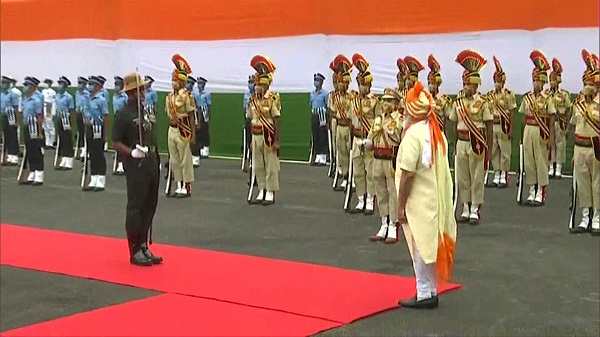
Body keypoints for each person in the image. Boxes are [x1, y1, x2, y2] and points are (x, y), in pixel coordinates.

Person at [396, 81, 457, 309]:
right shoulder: (434, 132)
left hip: (419, 200)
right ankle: (430, 290)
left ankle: (423, 292)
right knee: (428, 245)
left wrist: (400, 206)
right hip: (433, 198)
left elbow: (407, 174)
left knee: (420, 246)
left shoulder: (414, 136)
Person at [112, 72, 162, 266]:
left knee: (150, 204)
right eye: (140, 89)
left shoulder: (145, 110)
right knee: (136, 206)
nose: (143, 92)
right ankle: (133, 250)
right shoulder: (123, 114)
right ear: (131, 92)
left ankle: (143, 245)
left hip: (150, 162)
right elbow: (115, 142)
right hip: (135, 165)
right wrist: (131, 152)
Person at [451, 49, 493, 224]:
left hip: (477, 142)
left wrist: (488, 148)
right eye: (466, 84)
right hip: (462, 142)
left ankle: (475, 208)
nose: (468, 87)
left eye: (471, 85)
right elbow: (453, 123)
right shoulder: (458, 102)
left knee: (476, 176)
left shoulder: (483, 102)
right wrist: (453, 143)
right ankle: (465, 207)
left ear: (476, 85)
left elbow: (489, 125)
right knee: (463, 176)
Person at [518, 50, 556, 206]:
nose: (536, 84)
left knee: (540, 161)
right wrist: (522, 136)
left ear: (543, 82)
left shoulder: (547, 98)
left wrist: (551, 137)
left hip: (541, 131)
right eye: (534, 80)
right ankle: (532, 189)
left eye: (538, 81)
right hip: (528, 129)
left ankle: (541, 190)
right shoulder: (527, 97)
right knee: (529, 161)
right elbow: (522, 117)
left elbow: (552, 117)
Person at [366, 88, 403, 243]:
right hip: (377, 158)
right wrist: (367, 143)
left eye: (389, 100)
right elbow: (370, 137)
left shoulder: (400, 119)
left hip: (391, 159)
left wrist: (386, 128)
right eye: (385, 100)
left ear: (396, 103)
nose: (386, 103)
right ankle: (383, 223)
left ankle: (393, 225)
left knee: (393, 192)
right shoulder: (378, 119)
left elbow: (398, 136)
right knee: (380, 192)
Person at [569, 49, 599, 235]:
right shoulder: (578, 103)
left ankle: (597, 216)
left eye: (589, 83)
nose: (586, 87)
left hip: (596, 147)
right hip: (580, 146)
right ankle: (585, 215)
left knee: (597, 183)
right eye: (584, 83)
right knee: (582, 182)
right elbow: (573, 125)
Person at [246, 54, 281, 205]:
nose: (257, 87)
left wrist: (277, 140)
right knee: (258, 164)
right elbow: (249, 118)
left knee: (270, 165)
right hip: (255, 135)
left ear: (267, 85)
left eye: (260, 84)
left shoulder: (273, 98)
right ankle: (262, 189)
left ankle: (271, 191)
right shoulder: (252, 100)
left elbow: (277, 119)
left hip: (268, 135)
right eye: (256, 84)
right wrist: (249, 140)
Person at [350, 53, 379, 214]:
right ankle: (360, 198)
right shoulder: (353, 101)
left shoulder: (375, 101)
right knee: (358, 170)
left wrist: (372, 140)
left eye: (367, 85)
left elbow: (378, 122)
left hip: (368, 139)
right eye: (362, 85)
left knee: (370, 171)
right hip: (356, 138)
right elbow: (350, 120)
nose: (364, 88)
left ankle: (370, 199)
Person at [167, 54, 196, 197]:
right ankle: (178, 184)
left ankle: (186, 185)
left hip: (183, 129)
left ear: (182, 82)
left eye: (176, 80)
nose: (173, 83)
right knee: (175, 159)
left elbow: (191, 116)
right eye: (172, 80)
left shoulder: (187, 96)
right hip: (172, 130)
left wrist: (193, 136)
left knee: (185, 159)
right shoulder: (169, 96)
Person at [486, 56, 517, 188]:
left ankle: (504, 174)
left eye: (499, 81)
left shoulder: (509, 95)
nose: (497, 83)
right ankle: (497, 173)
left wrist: (511, 129)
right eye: (495, 81)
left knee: (505, 151)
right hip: (493, 125)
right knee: (494, 150)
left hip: (504, 126)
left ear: (503, 82)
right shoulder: (489, 95)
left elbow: (512, 112)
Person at [329, 54, 354, 192]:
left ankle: (353, 177)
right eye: (340, 82)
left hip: (348, 127)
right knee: (342, 152)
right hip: (339, 126)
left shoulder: (352, 97)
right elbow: (332, 111)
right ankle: (345, 176)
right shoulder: (335, 97)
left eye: (344, 82)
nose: (342, 85)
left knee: (351, 152)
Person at [83, 76, 110, 191]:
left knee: (98, 153)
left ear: (98, 86)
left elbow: (106, 117)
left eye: (92, 84)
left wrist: (106, 134)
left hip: (98, 129)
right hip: (89, 129)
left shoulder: (101, 100)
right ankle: (93, 177)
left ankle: (101, 179)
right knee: (91, 154)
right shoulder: (87, 99)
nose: (89, 86)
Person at [548, 58, 573, 179]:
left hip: (561, 122)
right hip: (550, 123)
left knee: (560, 145)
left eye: (553, 80)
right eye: (550, 80)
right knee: (550, 144)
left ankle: (558, 168)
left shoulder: (564, 94)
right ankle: (550, 167)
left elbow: (568, 110)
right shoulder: (546, 94)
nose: (551, 82)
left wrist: (568, 126)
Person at [19, 77, 44, 185]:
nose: (25, 87)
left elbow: (39, 117)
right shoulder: (25, 100)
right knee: (29, 150)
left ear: (32, 87)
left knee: (35, 150)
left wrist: (39, 132)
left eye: (27, 85)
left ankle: (39, 174)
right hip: (27, 126)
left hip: (34, 126)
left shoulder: (36, 100)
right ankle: (32, 172)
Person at [427, 54, 453, 136]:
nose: (430, 85)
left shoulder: (444, 100)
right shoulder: (424, 98)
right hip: (427, 133)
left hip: (439, 132)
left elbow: (448, 120)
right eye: (429, 83)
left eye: (432, 83)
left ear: (438, 84)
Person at [53, 76, 75, 170]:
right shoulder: (57, 96)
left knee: (67, 140)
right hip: (59, 118)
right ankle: (63, 160)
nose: (59, 86)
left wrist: (71, 124)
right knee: (61, 139)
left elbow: (71, 111)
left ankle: (69, 161)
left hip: (66, 119)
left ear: (65, 86)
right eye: (59, 84)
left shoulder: (69, 97)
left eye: (61, 84)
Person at [1, 76, 20, 165]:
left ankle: (14, 157)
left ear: (8, 84)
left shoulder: (13, 94)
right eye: (2, 83)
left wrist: (17, 120)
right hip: (4, 116)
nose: (3, 85)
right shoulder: (1, 94)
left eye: (5, 83)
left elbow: (16, 108)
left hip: (11, 116)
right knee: (7, 136)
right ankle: (9, 156)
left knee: (13, 136)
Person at [310, 73, 328, 166]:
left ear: (321, 82)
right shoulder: (312, 93)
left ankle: (323, 158)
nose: (316, 82)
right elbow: (311, 105)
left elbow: (327, 107)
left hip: (322, 116)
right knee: (315, 136)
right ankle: (317, 157)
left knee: (322, 136)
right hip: (314, 115)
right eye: (315, 80)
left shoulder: (325, 94)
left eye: (318, 80)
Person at [112, 76, 128, 175]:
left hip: (124, 121)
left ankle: (123, 165)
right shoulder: (114, 96)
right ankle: (119, 163)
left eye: (118, 85)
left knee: (123, 142)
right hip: (116, 119)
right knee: (116, 142)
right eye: (115, 85)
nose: (116, 87)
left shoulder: (125, 97)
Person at [195, 77, 212, 158]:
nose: (199, 85)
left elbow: (209, 105)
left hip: (204, 112)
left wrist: (208, 115)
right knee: (198, 130)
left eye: (200, 83)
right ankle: (199, 147)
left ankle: (205, 148)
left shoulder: (207, 94)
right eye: (198, 83)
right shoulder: (195, 93)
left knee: (205, 130)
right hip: (197, 111)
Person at [75, 77, 90, 160]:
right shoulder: (77, 93)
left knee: (86, 133)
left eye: (81, 83)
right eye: (78, 83)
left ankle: (86, 152)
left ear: (84, 85)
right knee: (80, 132)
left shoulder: (87, 94)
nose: (79, 85)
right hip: (78, 113)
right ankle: (82, 149)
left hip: (85, 114)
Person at [41, 78, 57, 149]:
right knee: (45, 126)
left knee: (50, 126)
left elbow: (54, 102)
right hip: (43, 107)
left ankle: (51, 142)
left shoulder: (53, 92)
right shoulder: (42, 91)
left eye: (47, 83)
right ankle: (47, 142)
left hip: (49, 108)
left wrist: (53, 112)